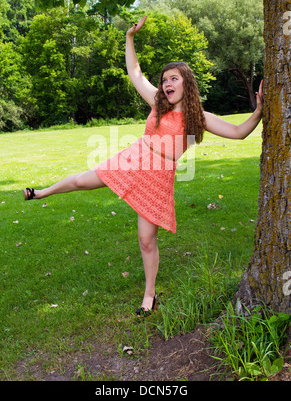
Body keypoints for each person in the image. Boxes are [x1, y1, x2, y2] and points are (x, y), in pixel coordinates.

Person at [23, 16, 263, 316]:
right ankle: (42, 192)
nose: (166, 83)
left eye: (173, 78)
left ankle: (149, 295)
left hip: (158, 177)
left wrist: (260, 111)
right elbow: (135, 73)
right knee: (82, 181)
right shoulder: (156, 101)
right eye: (165, 80)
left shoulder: (197, 117)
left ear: (187, 83)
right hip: (135, 158)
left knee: (146, 240)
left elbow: (239, 132)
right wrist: (129, 38)